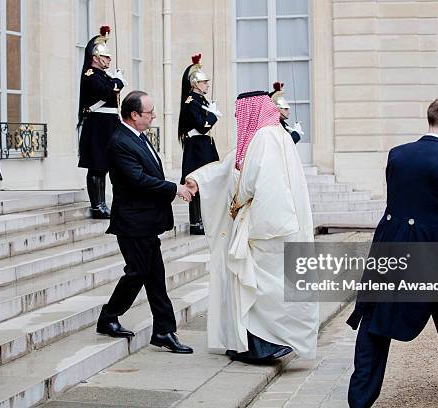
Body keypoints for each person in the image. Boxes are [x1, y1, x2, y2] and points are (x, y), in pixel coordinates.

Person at [346, 97, 438, 407]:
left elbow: (404, 200)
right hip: (428, 252)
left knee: (375, 319)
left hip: (387, 245)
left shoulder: (398, 155)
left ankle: (359, 399)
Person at [185, 91, 319, 363]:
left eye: (239, 113)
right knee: (258, 287)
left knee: (257, 288)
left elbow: (251, 179)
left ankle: (261, 346)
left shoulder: (264, 137)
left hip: (264, 228)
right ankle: (247, 342)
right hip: (273, 224)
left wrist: (237, 200)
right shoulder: (274, 135)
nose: (237, 119)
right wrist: (199, 179)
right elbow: (231, 165)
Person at [96, 90, 194, 354]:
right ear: (134, 114)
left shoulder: (138, 137)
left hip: (146, 222)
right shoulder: (120, 141)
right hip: (132, 223)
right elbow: (138, 180)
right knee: (138, 273)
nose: (153, 116)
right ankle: (108, 317)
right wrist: (175, 188)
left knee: (155, 278)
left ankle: (163, 331)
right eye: (149, 112)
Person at [77, 26, 126, 219]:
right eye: (105, 57)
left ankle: (103, 202)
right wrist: (118, 83)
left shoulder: (104, 75)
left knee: (105, 166)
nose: (109, 59)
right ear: (95, 58)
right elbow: (106, 92)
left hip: (109, 123)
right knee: (96, 165)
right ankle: (96, 205)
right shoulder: (90, 74)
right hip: (97, 124)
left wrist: (114, 82)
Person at [178, 54, 222, 235]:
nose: (207, 85)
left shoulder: (200, 100)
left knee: (205, 183)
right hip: (197, 146)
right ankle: (196, 222)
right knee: (196, 183)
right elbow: (203, 127)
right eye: (204, 82)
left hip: (203, 145)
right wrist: (213, 115)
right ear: (195, 84)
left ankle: (203, 219)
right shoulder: (191, 101)